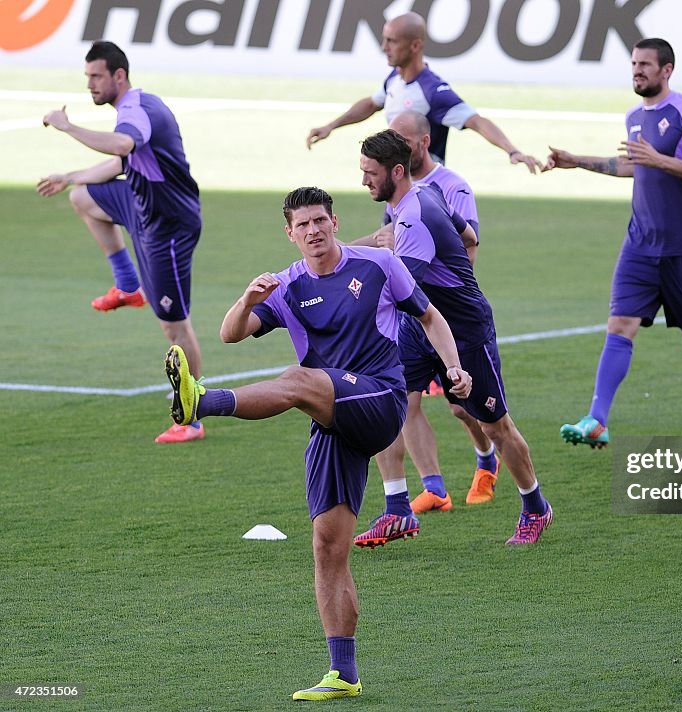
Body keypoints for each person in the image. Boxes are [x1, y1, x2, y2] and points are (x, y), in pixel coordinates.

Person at [163, 186, 471, 700]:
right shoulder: (286, 284)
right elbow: (228, 335)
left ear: (334, 221)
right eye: (302, 225)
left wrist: (454, 367)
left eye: (320, 221)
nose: (313, 231)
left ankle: (201, 402)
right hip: (332, 420)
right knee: (328, 548)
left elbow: (429, 317)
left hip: (381, 399)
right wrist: (248, 300)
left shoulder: (377, 264)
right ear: (290, 232)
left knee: (299, 378)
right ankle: (343, 675)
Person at [354, 129, 553, 547]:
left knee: (494, 426)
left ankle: (535, 506)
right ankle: (397, 510)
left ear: (395, 171)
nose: (364, 182)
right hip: (419, 327)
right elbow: (469, 237)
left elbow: (399, 286)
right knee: (392, 404)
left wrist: (342, 274)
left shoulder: (412, 218)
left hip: (461, 329)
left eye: (370, 173)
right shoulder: (424, 194)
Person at [544, 38, 682, 452]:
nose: (637, 71)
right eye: (633, 64)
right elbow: (631, 165)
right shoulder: (633, 116)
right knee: (619, 325)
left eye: (645, 64)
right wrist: (577, 161)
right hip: (640, 244)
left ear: (667, 70)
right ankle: (598, 419)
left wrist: (660, 160)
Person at [37, 40, 206, 444]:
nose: (90, 85)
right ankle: (128, 285)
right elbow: (123, 162)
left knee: (175, 327)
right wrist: (72, 176)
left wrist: (67, 126)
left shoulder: (135, 111)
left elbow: (123, 145)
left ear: (118, 75)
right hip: (139, 203)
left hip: (168, 225)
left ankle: (193, 419)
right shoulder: (138, 105)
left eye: (96, 76)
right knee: (82, 197)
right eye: (87, 77)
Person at [355, 110, 502, 512]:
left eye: (401, 137)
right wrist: (338, 255)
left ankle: (487, 456)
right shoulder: (399, 195)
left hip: (450, 317)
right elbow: (390, 240)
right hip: (415, 319)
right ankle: (433, 488)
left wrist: (451, 293)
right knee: (401, 400)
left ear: (421, 142)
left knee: (462, 406)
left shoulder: (449, 187)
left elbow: (468, 242)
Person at [306, 11, 540, 172]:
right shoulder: (395, 78)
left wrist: (512, 151)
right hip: (400, 184)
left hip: (426, 191)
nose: (384, 47)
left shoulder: (433, 91)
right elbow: (371, 104)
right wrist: (331, 126)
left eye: (392, 41)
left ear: (415, 46)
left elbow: (477, 122)